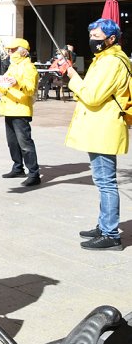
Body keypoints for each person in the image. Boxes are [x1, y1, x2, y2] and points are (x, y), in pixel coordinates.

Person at [65, 19, 130, 251]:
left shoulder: (111, 62)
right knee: (102, 181)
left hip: (104, 128)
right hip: (99, 126)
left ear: (111, 39)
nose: (93, 40)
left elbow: (92, 96)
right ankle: (104, 226)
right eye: (91, 35)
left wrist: (73, 78)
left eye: (98, 37)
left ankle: (111, 235)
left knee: (106, 182)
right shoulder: (104, 59)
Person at [0, 38, 40, 187]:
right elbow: (6, 85)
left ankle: (34, 173)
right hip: (9, 107)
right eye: (9, 50)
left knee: (25, 143)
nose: (10, 52)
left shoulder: (28, 67)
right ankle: (18, 167)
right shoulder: (13, 66)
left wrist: (17, 84)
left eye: (12, 50)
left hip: (21, 109)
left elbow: (30, 89)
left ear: (22, 51)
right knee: (12, 142)